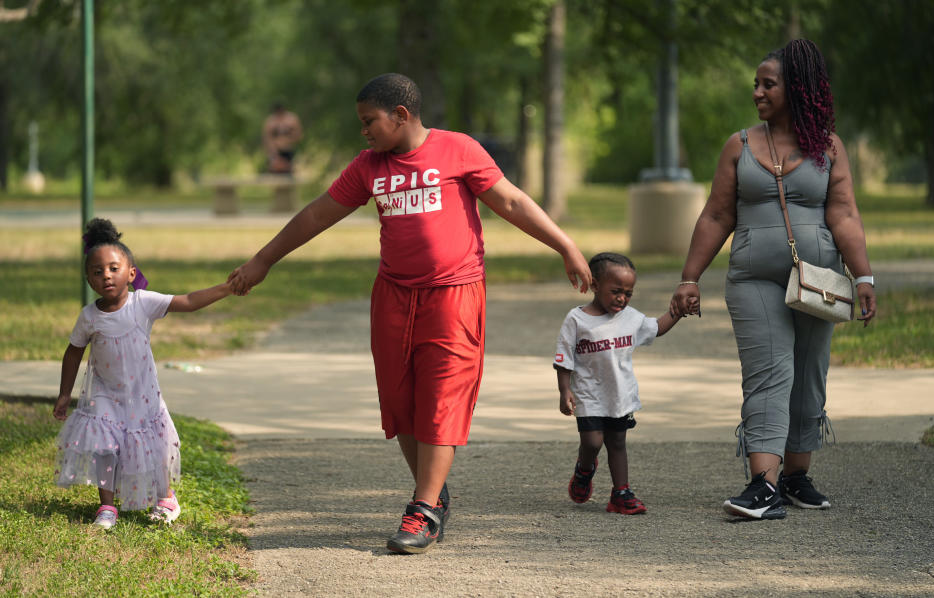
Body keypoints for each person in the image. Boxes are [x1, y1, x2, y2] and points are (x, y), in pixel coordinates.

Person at [229, 73, 591, 554]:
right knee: (402, 404)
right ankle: (435, 495)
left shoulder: (458, 150)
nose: (364, 132)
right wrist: (263, 260)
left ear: (401, 115)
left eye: (369, 121)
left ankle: (421, 510)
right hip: (394, 297)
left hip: (454, 294)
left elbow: (511, 200)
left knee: (442, 396)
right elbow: (316, 215)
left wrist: (564, 245)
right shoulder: (368, 166)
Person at [670, 39, 877, 520]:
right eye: (756, 85)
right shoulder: (739, 145)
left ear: (797, 89)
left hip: (819, 279)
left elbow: (844, 213)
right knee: (768, 373)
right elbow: (716, 215)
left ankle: (795, 476)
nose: (758, 93)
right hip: (753, 278)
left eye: (769, 84)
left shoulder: (827, 148)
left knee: (808, 373)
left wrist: (862, 274)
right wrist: (689, 278)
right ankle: (762, 485)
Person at [53, 218, 234, 529]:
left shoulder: (143, 303)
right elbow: (73, 352)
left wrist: (227, 288)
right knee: (103, 447)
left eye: (113, 268)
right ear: (88, 279)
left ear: (131, 274)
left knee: (154, 446)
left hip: (143, 396)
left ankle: (165, 498)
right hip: (104, 394)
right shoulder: (89, 317)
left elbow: (188, 302)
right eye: (97, 272)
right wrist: (65, 393)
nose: (106, 276)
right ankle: (107, 507)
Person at [555, 252, 685, 515]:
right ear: (594, 285)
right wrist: (564, 390)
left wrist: (678, 311)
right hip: (588, 394)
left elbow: (657, 327)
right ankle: (584, 469)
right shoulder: (577, 319)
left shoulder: (631, 318)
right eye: (616, 291)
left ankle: (621, 493)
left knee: (617, 442)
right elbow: (564, 357)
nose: (622, 298)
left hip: (620, 395)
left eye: (628, 293)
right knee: (592, 442)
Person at [262, 101, 303, 174]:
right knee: (275, 173)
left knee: (288, 173)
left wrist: (288, 140)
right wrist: (272, 152)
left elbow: (299, 135)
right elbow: (267, 138)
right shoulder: (270, 121)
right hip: (275, 152)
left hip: (288, 150)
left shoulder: (292, 119)